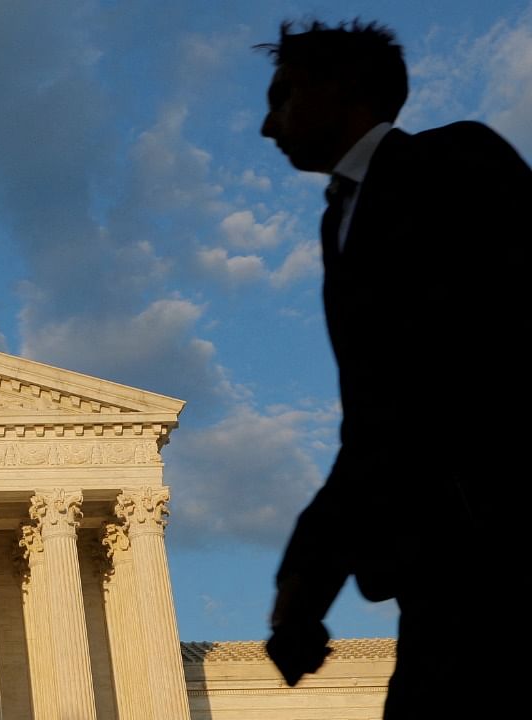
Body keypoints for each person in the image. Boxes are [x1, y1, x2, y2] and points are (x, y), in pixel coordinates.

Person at [257, 19, 530, 717]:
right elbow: (380, 418)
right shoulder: (338, 221)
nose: (268, 125)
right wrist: (303, 594)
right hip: (439, 566)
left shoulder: (456, 161)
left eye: (281, 98)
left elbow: (428, 391)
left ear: (339, 91)